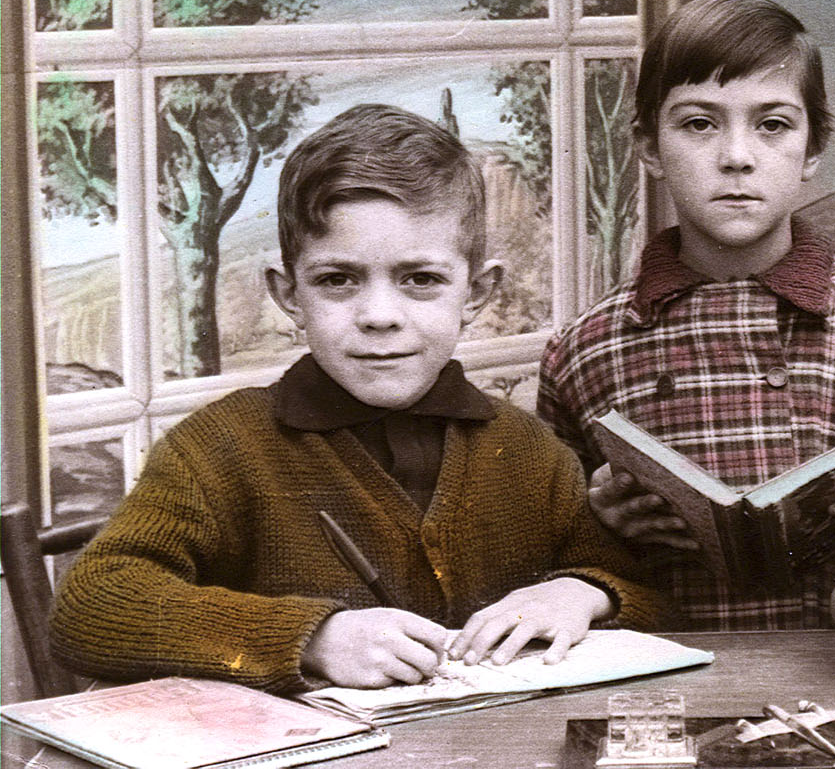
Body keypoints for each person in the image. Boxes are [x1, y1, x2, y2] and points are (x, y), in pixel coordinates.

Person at [51, 104, 663, 694]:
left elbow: (644, 594)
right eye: (337, 280)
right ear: (289, 295)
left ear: (476, 293)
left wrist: (583, 593)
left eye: (420, 279)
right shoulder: (219, 448)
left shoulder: (528, 450)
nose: (378, 316)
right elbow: (91, 604)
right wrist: (311, 638)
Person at [536, 0, 835, 629]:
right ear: (650, 147)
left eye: (772, 125)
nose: (737, 156)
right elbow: (559, 558)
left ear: (813, 149)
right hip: (669, 669)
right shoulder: (583, 349)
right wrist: (599, 522)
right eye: (699, 124)